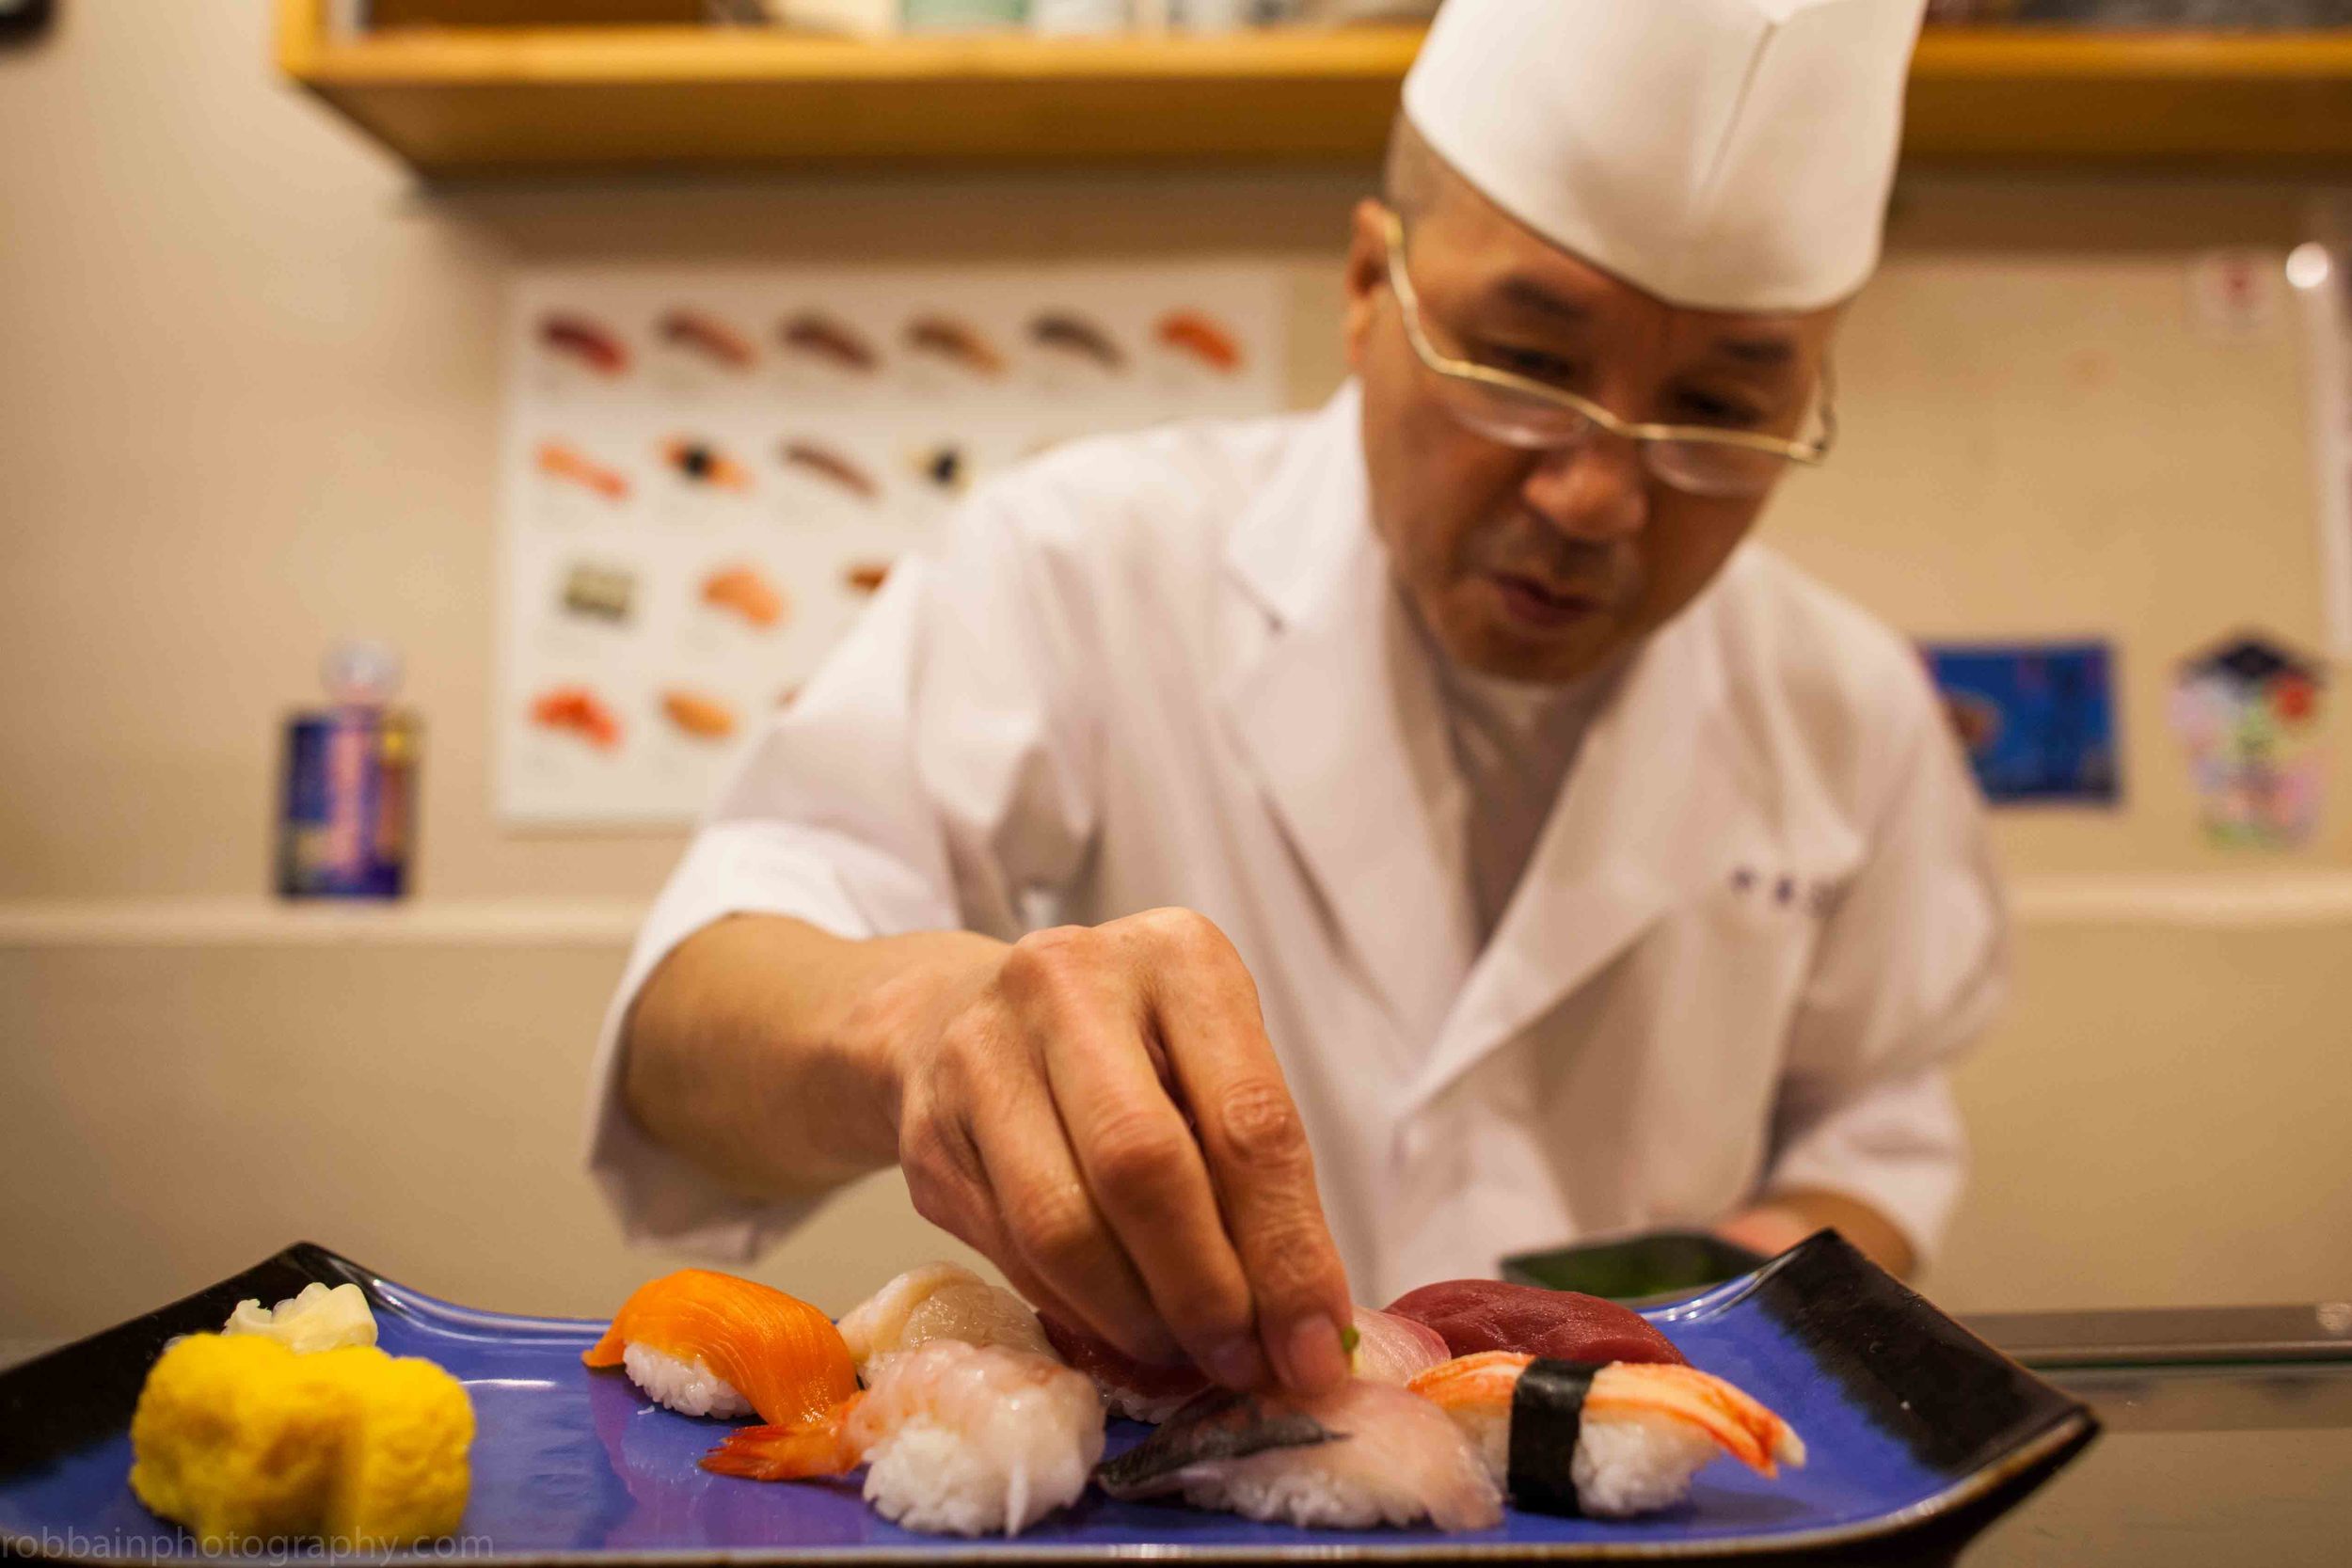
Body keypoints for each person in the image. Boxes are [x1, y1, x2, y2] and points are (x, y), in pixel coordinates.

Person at [585, 0, 2003, 1402]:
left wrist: (1735, 1286)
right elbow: (681, 1035)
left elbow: (1876, 1115)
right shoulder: (1087, 562)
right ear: (1369, 284)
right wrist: (921, 1025)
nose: (1597, 496)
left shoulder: (1847, 704)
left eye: (1716, 411)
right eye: (1525, 366)